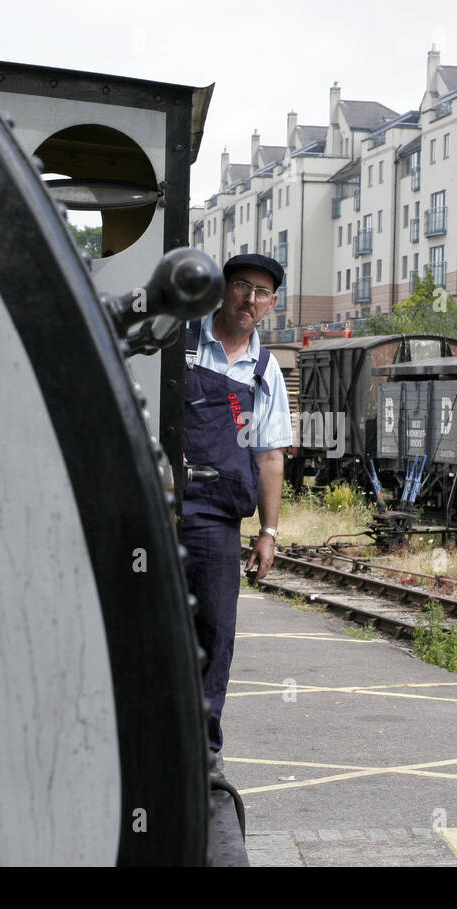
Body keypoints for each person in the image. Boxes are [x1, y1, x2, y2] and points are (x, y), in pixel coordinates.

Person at [180, 253, 292, 761]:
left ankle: (202, 755)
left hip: (215, 520)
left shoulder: (265, 370)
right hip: (155, 511)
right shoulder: (176, 342)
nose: (250, 299)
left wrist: (269, 531)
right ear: (223, 289)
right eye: (242, 286)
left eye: (261, 292)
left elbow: (270, 456)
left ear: (270, 305)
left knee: (214, 636)